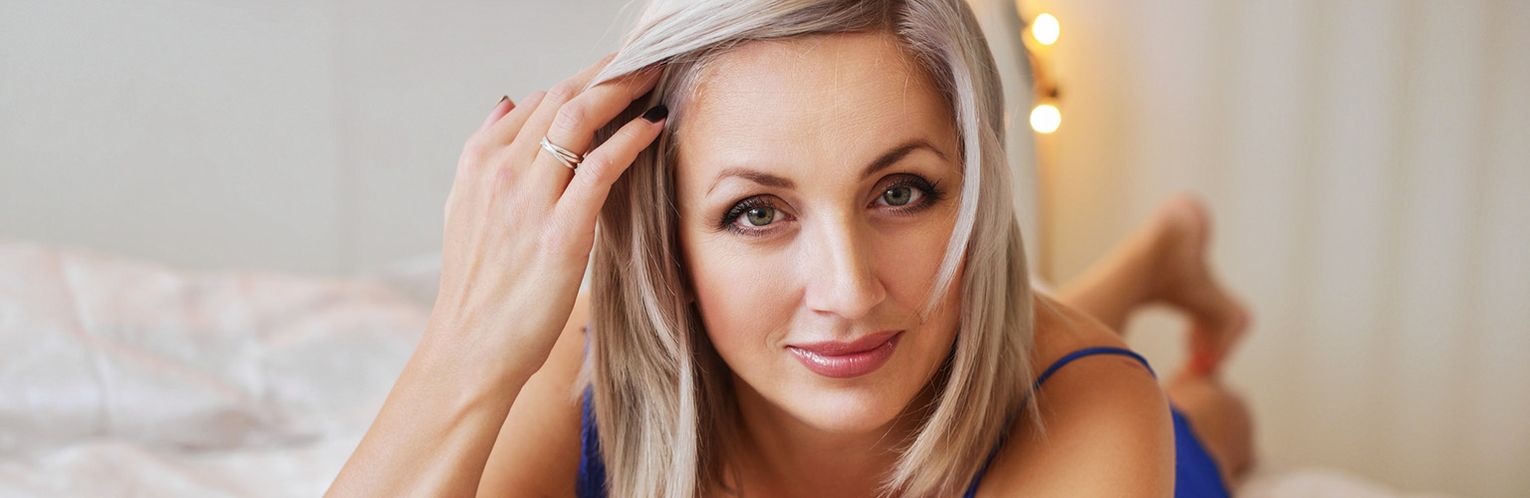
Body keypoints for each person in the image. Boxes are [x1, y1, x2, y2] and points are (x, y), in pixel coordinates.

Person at [327, 0, 1254, 496]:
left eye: (902, 192)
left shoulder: (1095, 401)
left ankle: (1159, 278)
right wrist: (467, 342)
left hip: (1085, 422)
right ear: (667, 240)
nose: (846, 291)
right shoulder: (576, 369)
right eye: (757, 213)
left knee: (1205, 419)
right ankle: (1157, 255)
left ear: (975, 191)